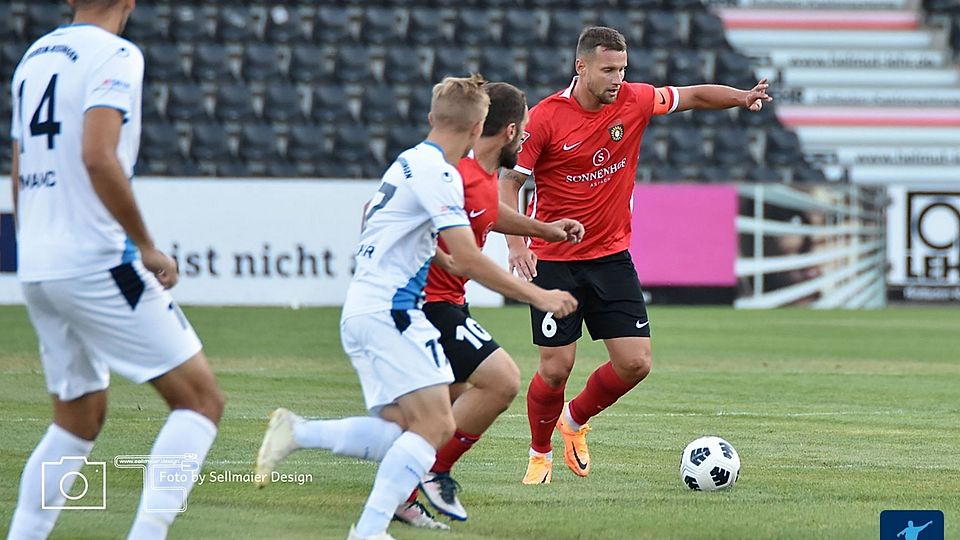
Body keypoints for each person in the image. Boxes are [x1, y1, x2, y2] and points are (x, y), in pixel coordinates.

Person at [255, 74, 577, 540]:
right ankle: (369, 528)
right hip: (399, 311)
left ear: (432, 117)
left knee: (408, 432)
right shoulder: (442, 173)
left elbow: (383, 217)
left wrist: (439, 251)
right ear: (480, 126)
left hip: (367, 308)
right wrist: (539, 295)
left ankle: (299, 434)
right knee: (442, 422)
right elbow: (468, 256)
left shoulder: (408, 162)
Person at [499, 26, 772, 484]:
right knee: (555, 368)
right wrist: (516, 242)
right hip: (555, 258)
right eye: (608, 69)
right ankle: (539, 454)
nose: (617, 79)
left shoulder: (635, 99)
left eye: (623, 69)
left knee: (635, 363)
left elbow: (692, 97)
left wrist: (741, 97)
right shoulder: (545, 118)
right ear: (580, 66)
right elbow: (509, 183)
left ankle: (574, 421)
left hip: (611, 256)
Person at [7, 1, 225, 539]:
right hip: (94, 258)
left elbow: (19, 163)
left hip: (37, 259)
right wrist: (146, 245)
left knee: (77, 419)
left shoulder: (34, 56)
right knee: (200, 400)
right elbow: (98, 156)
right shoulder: (117, 54)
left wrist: (31, 245)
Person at [395, 82, 585, 527]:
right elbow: (468, 257)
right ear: (511, 130)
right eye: (524, 134)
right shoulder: (454, 175)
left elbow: (489, 215)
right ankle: (433, 472)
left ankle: (396, 490)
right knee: (501, 381)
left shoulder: (475, 177)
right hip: (427, 303)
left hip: (446, 302)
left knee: (441, 409)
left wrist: (546, 230)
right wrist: (538, 295)